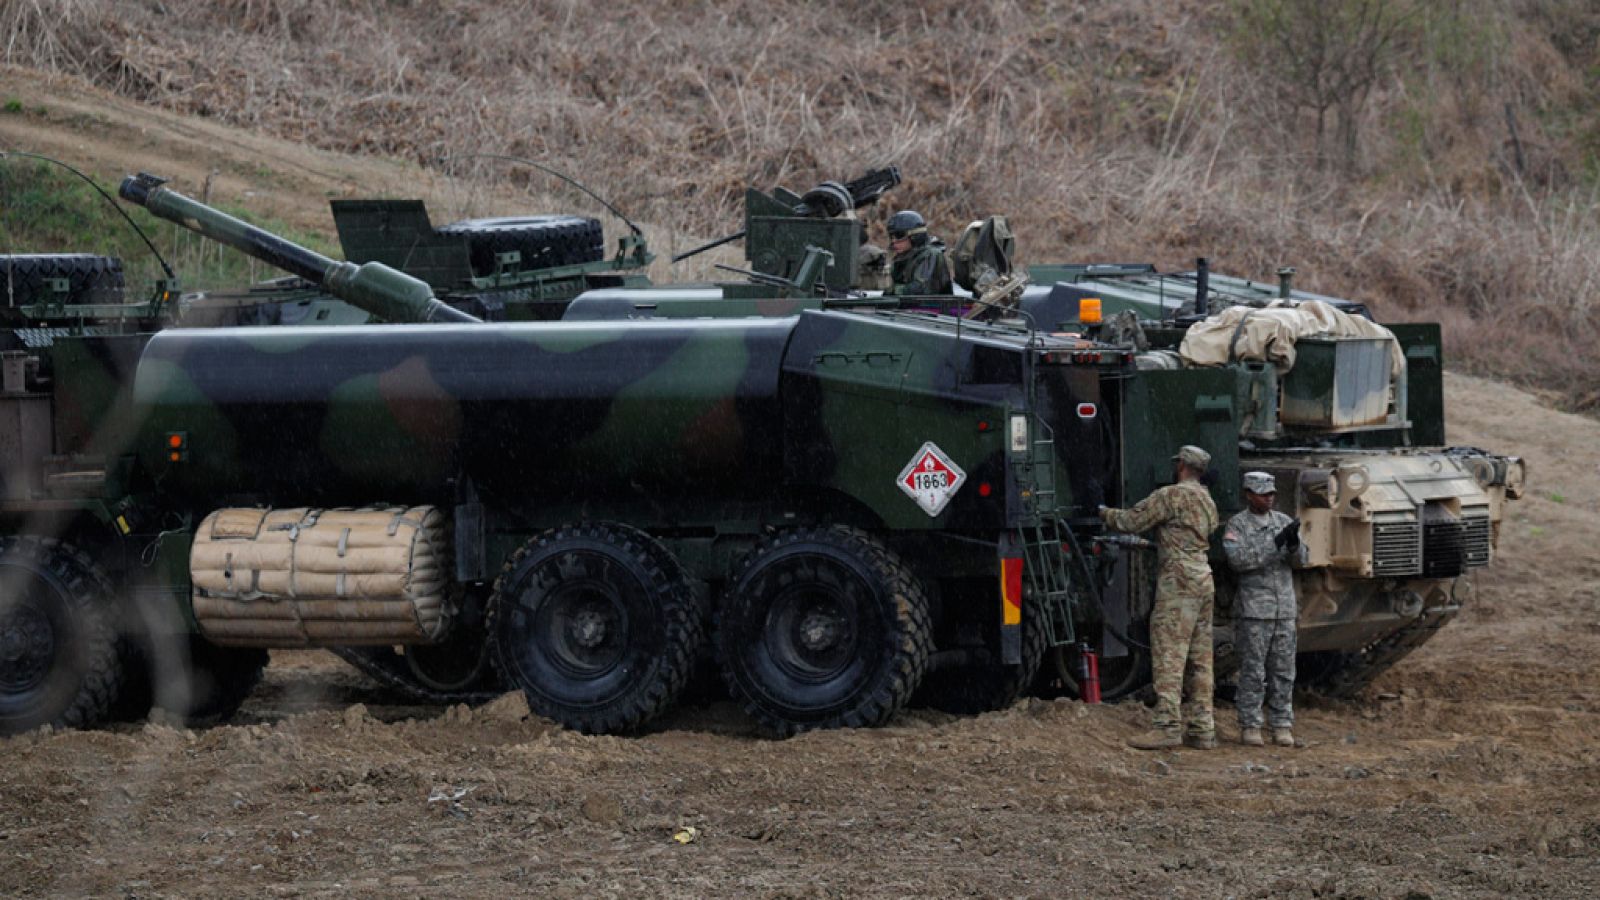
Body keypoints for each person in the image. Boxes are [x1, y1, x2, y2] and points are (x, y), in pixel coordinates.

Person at [1100, 445, 1221, 750]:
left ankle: (1167, 725)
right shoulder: (1207, 500)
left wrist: (1101, 511)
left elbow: (1130, 521)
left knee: (1169, 653)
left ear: (1180, 465)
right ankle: (1202, 728)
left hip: (1178, 583)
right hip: (1203, 579)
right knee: (1200, 658)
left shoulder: (1171, 495)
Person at [1222, 471, 1307, 748]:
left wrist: (1294, 546)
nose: (1268, 499)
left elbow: (1301, 562)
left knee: (1283, 671)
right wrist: (1275, 544)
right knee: (1253, 671)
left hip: (1284, 610)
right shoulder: (1238, 525)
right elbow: (1239, 560)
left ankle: (1282, 724)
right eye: (1262, 494)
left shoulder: (1282, 522)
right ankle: (1250, 725)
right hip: (1254, 611)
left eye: (1271, 494)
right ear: (1249, 494)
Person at [885, 210, 952, 296]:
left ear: (914, 236)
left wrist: (892, 289)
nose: (894, 241)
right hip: (908, 307)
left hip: (930, 308)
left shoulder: (930, 254)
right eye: (891, 236)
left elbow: (920, 290)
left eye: (899, 235)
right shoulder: (902, 257)